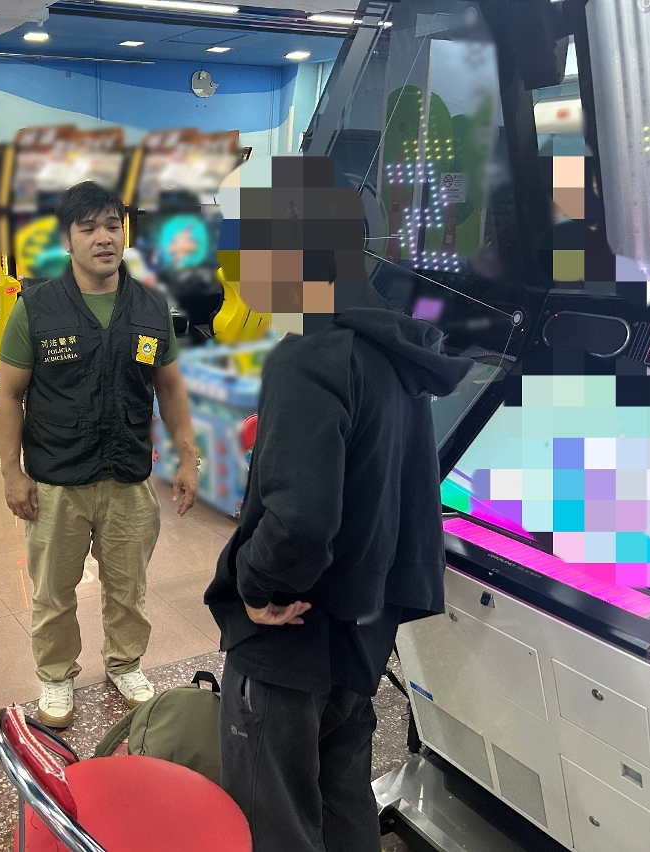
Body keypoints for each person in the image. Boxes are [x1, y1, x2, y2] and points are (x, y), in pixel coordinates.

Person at [203, 156, 474, 852]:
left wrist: (256, 587)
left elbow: (301, 520)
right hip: (361, 628)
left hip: (293, 638)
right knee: (343, 794)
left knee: (277, 814)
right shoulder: (393, 349)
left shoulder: (309, 357)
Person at [0, 181, 199, 728]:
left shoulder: (150, 307)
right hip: (56, 479)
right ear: (68, 239)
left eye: (112, 225)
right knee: (53, 592)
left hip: (128, 475)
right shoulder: (36, 308)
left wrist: (187, 456)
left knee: (128, 587)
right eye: (88, 228)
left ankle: (125, 663)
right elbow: (8, 395)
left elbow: (170, 387)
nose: (103, 238)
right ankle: (56, 674)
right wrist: (12, 473)